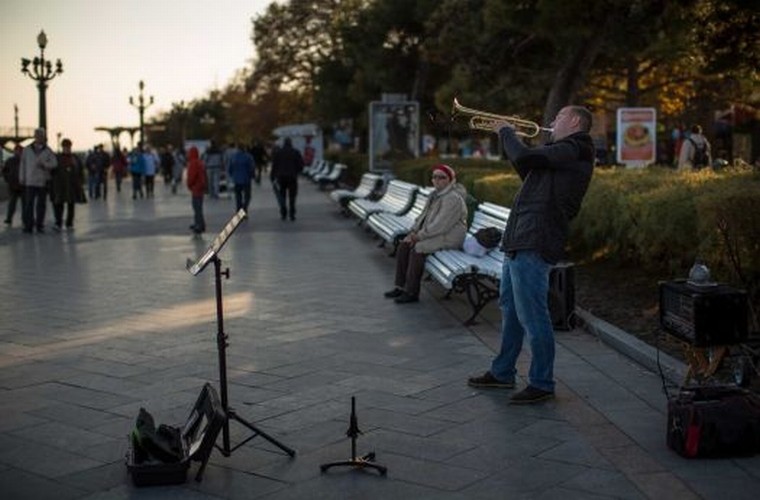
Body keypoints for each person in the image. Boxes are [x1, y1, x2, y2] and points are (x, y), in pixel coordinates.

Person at [467, 105, 594, 404]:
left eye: (559, 117)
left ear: (575, 121)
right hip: (521, 235)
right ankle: (502, 372)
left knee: (533, 313)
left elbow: (523, 155)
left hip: (537, 237)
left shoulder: (578, 148)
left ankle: (542, 381)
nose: (551, 122)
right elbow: (526, 166)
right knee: (511, 308)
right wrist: (510, 139)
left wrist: (505, 130)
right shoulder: (559, 152)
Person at [384, 164, 467, 304]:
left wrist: (419, 237)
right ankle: (400, 287)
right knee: (404, 244)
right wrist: (413, 232)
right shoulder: (435, 195)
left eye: (442, 177)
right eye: (435, 177)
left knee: (418, 248)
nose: (437, 180)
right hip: (435, 235)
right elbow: (422, 217)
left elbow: (441, 225)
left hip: (449, 237)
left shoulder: (452, 198)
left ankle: (412, 292)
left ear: (450, 180)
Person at [19, 128, 57, 233]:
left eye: (41, 135)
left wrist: (45, 165)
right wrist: (21, 177)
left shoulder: (48, 150)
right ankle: (28, 226)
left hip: (42, 181)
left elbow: (54, 164)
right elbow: (23, 164)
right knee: (28, 204)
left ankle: (39, 225)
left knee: (41, 205)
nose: (39, 137)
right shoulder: (27, 150)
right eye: (37, 135)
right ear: (35, 137)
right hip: (30, 180)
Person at [50, 138, 85, 231]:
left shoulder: (75, 158)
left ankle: (69, 223)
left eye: (68, 147)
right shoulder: (57, 158)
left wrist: (80, 182)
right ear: (63, 147)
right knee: (59, 205)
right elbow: (52, 171)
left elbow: (80, 170)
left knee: (71, 205)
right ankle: (58, 223)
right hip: (60, 185)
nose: (67, 149)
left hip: (72, 185)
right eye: (65, 147)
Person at [270, 138, 304, 221]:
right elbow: (301, 165)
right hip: (292, 177)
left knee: (282, 195)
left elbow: (275, 165)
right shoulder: (296, 152)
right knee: (292, 196)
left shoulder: (279, 153)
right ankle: (292, 213)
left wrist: (272, 176)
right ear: (291, 143)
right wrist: (297, 171)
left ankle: (283, 212)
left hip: (281, 177)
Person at [227, 144, 255, 213]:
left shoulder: (233, 157)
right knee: (247, 196)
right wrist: (252, 175)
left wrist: (232, 175)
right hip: (246, 179)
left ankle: (239, 209)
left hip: (236, 179)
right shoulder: (248, 156)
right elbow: (251, 167)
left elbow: (230, 168)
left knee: (238, 196)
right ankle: (244, 208)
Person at [186, 146, 206, 234]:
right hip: (200, 187)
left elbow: (191, 176)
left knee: (197, 207)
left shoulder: (193, 163)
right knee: (199, 207)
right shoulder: (200, 162)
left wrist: (189, 184)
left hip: (196, 188)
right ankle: (199, 223)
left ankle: (199, 225)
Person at [2, 144, 24, 226]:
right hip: (13, 185)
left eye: (20, 151)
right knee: (12, 203)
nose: (18, 152)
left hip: (22, 185)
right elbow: (4, 171)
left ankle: (25, 218)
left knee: (25, 204)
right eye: (17, 150)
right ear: (15, 151)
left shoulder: (24, 161)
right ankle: (9, 218)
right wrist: (8, 179)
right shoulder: (10, 161)